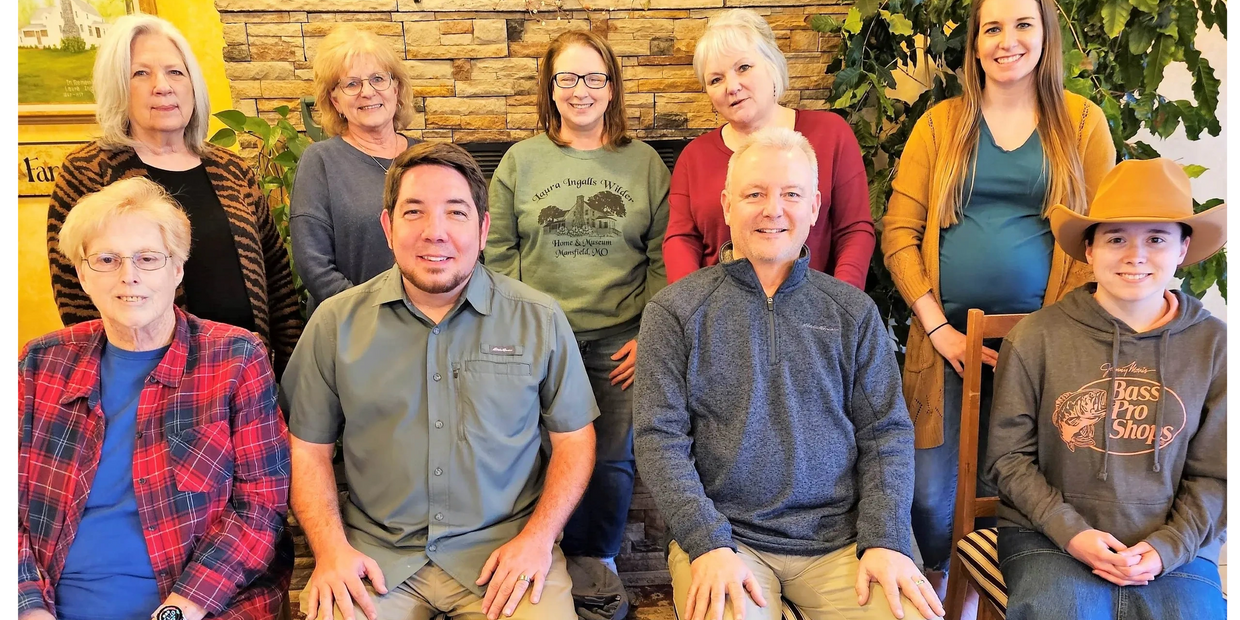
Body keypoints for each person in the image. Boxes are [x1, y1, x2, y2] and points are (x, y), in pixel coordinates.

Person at [634, 127, 943, 620]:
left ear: (815, 206)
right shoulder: (674, 311)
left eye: (791, 194)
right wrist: (707, 542)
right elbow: (658, 440)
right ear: (727, 204)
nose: (772, 209)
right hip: (730, 543)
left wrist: (885, 538)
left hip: (845, 542)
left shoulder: (852, 311)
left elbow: (885, 432)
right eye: (754, 194)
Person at [285, 142, 598, 620]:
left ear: (483, 228)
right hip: (375, 558)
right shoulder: (335, 324)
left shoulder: (539, 320)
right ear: (388, 227)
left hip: (504, 556)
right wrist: (330, 550)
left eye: (455, 212)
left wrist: (537, 539)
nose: (435, 233)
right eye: (414, 212)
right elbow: (306, 449)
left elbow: (575, 440)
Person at [880, 0, 1117, 594]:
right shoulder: (940, 125)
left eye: (1022, 24)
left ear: (1046, 36)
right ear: (975, 43)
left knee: (1024, 492)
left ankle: (1010, 598)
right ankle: (939, 596)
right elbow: (898, 234)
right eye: (992, 27)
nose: (1006, 40)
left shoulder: (1083, 124)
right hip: (945, 347)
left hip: (1046, 351)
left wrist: (1041, 339)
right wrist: (939, 330)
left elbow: (1103, 237)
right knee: (931, 501)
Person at [16, 177, 292, 620]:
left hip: (198, 606)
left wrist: (180, 611)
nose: (130, 275)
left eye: (148, 258)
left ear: (177, 269)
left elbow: (260, 508)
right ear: (82, 274)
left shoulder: (234, 358)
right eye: (107, 259)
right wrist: (28, 608)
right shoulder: (39, 364)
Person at [985, 158, 1230, 619]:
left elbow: (1217, 475)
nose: (1135, 255)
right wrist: (1070, 531)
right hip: (1046, 537)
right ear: (1090, 250)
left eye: (1156, 239)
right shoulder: (1035, 338)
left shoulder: (1217, 347)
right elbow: (1007, 458)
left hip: (1173, 546)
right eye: (1116, 238)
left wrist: (1166, 547)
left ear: (1183, 248)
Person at [485, 30, 669, 572]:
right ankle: (543, 556)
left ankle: (597, 562)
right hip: (539, 338)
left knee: (613, 459)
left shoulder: (644, 164)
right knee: (534, 457)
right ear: (550, 88)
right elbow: (497, 251)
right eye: (567, 78)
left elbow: (662, 256)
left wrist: (649, 335)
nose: (580, 90)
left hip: (620, 341)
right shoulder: (520, 162)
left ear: (611, 89)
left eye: (593, 78)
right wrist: (518, 326)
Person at [47, 14, 302, 376]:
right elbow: (76, 295)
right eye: (141, 73)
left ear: (193, 85)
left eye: (175, 72)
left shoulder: (233, 169)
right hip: (149, 383)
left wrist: (289, 374)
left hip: (246, 375)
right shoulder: (88, 172)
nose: (162, 86)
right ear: (117, 87)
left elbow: (277, 283)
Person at [664, 8, 873, 288]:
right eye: (716, 79)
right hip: (718, 317)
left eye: (743, 68)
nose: (732, 86)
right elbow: (681, 240)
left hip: (813, 314)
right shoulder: (695, 157)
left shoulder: (831, 134)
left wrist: (839, 305)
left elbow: (854, 230)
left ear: (772, 65)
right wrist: (690, 308)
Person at [291, 26, 420, 313]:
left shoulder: (428, 158)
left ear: (396, 88)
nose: (367, 92)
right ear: (335, 101)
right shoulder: (320, 161)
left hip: (430, 325)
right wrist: (374, 313)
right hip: (351, 327)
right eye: (351, 84)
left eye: (378, 79)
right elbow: (314, 264)